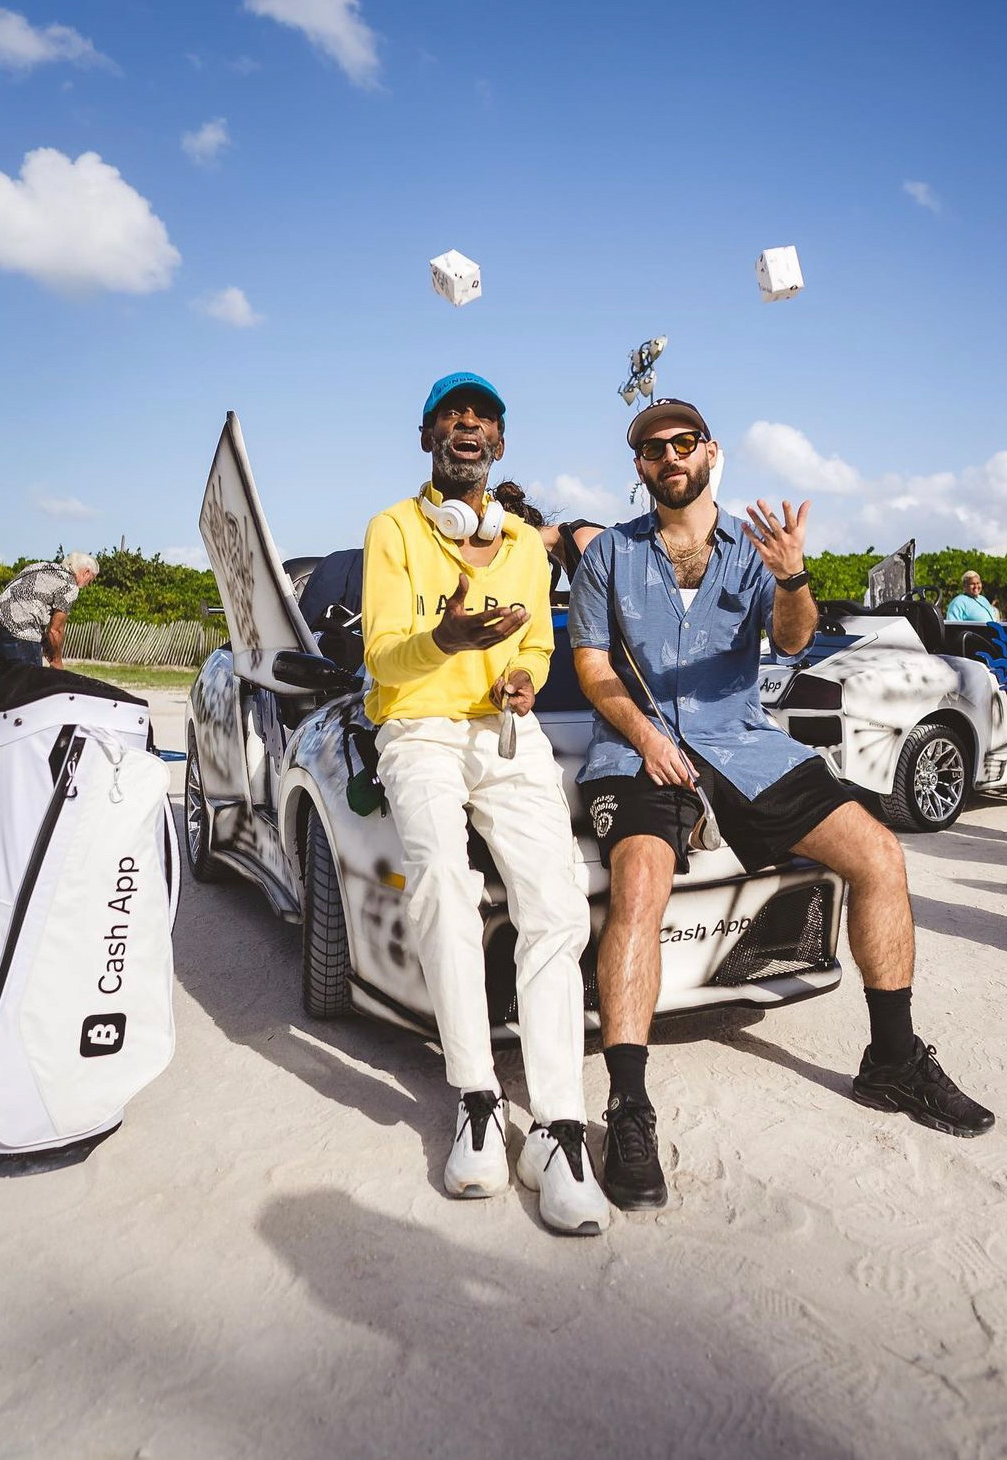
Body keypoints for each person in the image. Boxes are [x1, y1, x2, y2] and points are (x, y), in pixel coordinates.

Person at [568, 397, 994, 1211]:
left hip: (741, 743)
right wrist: (646, 737)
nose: (669, 456)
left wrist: (793, 573)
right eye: (653, 448)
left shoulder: (752, 551)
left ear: (709, 451)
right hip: (637, 749)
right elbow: (593, 667)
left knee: (880, 855)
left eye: (683, 442)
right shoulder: (610, 557)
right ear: (640, 467)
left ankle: (892, 1060)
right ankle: (629, 1106)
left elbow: (794, 640)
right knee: (639, 885)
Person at [360, 372, 610, 1236]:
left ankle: (557, 1127)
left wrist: (522, 679)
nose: (467, 425)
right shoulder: (393, 529)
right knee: (442, 881)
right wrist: (444, 639)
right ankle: (475, 1097)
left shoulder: (527, 547)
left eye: (483, 417)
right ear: (427, 436)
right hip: (418, 728)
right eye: (451, 414)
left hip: (504, 731)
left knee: (557, 903)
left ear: (499, 444)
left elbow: (539, 647)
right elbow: (383, 660)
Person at [0, 552, 98, 676]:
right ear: (86, 572)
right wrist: (57, 661)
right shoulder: (70, 584)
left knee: (8, 684)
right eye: (90, 580)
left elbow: (28, 608)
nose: (88, 585)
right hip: (20, 631)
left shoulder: (42, 567)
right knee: (31, 685)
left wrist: (47, 648)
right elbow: (55, 631)